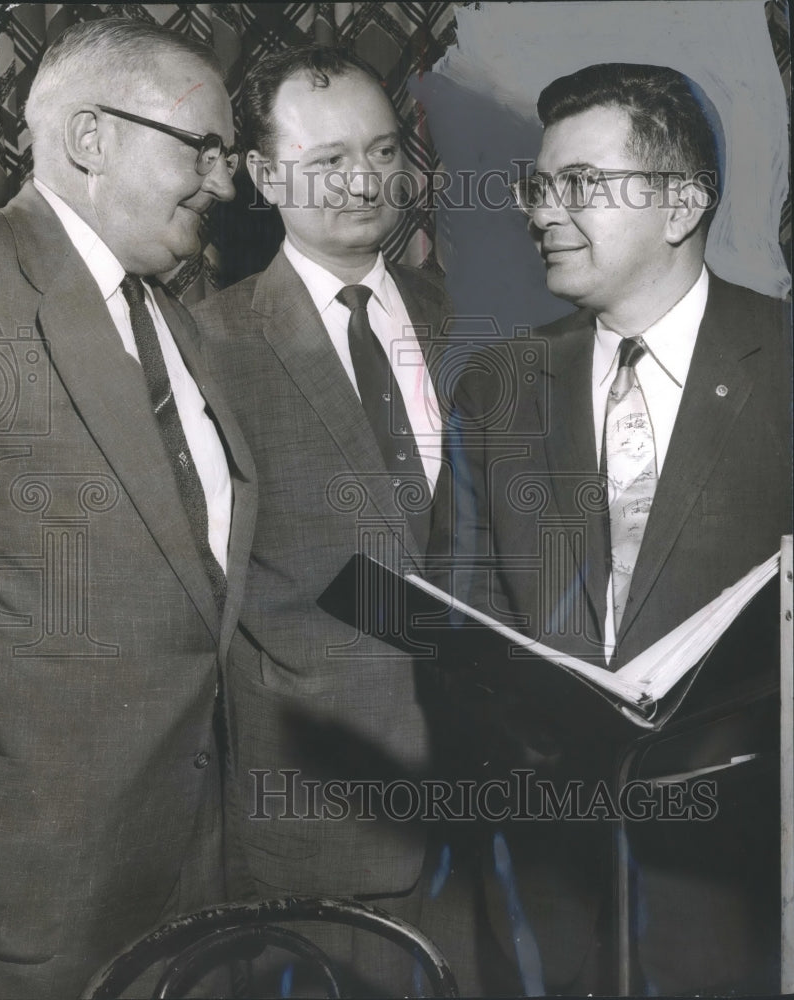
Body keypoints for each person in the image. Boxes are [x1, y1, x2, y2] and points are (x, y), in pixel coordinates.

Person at [431, 63, 791, 993]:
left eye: (579, 185)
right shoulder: (497, 385)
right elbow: (455, 620)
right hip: (546, 876)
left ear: (680, 206)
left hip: (744, 876)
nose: (541, 211)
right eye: (537, 186)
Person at [0, 18, 257, 1000]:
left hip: (200, 884)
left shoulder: (177, 320)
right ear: (90, 138)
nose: (224, 181)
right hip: (35, 905)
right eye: (203, 149)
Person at [192, 44, 473, 995]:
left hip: (497, 805)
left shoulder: (474, 322)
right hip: (318, 811)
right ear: (264, 177)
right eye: (327, 161)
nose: (366, 181)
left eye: (385, 151)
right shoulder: (203, 346)